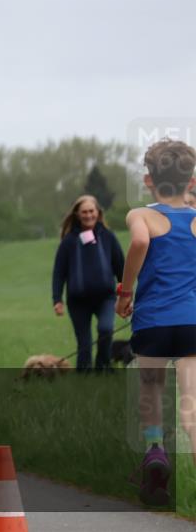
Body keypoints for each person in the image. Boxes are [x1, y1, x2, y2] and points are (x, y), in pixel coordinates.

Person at [115, 139, 196, 506]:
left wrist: (125, 291)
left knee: (151, 390)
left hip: (152, 324)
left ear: (149, 180)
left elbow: (139, 244)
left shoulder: (141, 215)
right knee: (191, 405)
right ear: (191, 181)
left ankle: (155, 450)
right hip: (192, 322)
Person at [52, 195, 126, 372]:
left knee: (106, 329)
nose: (88, 215)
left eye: (91, 211)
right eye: (84, 212)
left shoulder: (108, 237)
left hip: (106, 298)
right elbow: (59, 273)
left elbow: (120, 266)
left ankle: (103, 367)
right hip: (78, 301)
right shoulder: (69, 242)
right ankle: (84, 374)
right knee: (84, 342)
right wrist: (57, 300)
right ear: (77, 214)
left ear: (98, 212)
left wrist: (126, 292)